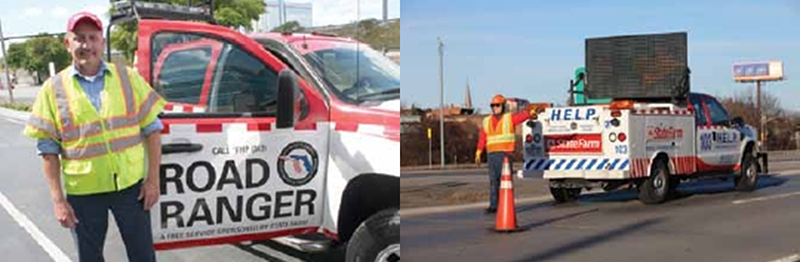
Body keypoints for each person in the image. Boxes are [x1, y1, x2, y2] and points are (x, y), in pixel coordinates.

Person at [22, 12, 166, 262]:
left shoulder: (127, 78)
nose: (86, 45)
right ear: (68, 44)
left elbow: (152, 130)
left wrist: (153, 180)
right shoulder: (52, 89)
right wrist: (58, 200)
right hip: (84, 195)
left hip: (131, 189)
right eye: (79, 39)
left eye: (92, 38)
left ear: (103, 42)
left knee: (143, 256)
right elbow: (48, 150)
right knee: (90, 258)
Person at [475, 94, 532, 213]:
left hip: (505, 155)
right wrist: (479, 151)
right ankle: (494, 205)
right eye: (493, 105)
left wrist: (530, 113)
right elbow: (482, 137)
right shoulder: (486, 121)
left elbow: (521, 117)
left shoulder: (508, 118)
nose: (495, 107)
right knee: (493, 181)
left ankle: (507, 204)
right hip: (492, 155)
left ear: (503, 106)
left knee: (505, 181)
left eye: (497, 105)